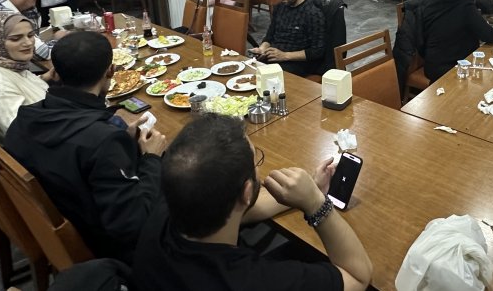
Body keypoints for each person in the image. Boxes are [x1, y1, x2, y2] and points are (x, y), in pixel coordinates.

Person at [132, 114, 373, 291]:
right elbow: (358, 277)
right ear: (247, 192)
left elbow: (237, 209)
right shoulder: (259, 281)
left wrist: (310, 188)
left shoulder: (162, 210)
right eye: (255, 162)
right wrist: (316, 204)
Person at [4, 32, 167, 261]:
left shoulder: (24, 118)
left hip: (63, 221)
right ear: (111, 71)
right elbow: (133, 226)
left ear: (56, 73)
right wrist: (152, 158)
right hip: (109, 248)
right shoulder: (102, 142)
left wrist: (125, 141)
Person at [410, 0, 493, 81]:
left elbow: (420, 41)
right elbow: (488, 35)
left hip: (433, 67)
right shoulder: (465, 6)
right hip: (458, 67)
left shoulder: (426, 6)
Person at [250, 0, 326, 77]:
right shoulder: (279, 8)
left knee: (263, 78)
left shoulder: (313, 14)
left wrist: (284, 55)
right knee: (248, 70)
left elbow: (317, 51)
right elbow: (269, 37)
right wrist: (262, 49)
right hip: (275, 58)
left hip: (297, 63)